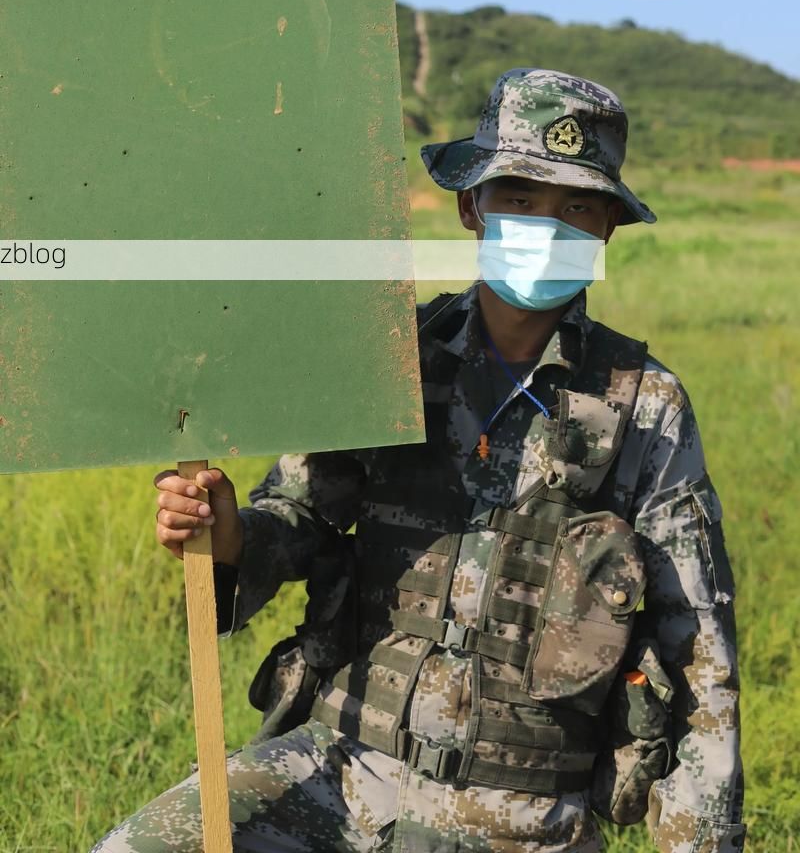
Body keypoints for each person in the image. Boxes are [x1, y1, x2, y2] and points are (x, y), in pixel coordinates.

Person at [92, 69, 746, 853]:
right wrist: (231, 535)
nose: (546, 225)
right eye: (521, 197)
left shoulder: (646, 406)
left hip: (524, 813)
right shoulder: (390, 360)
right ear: (472, 205)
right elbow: (296, 516)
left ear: (607, 225)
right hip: (340, 768)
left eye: (576, 205)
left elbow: (699, 649)